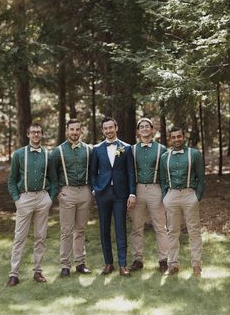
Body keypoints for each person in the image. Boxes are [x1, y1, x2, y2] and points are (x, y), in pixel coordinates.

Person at [7, 122, 55, 286]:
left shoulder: (48, 155)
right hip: (24, 199)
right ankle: (14, 274)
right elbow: (12, 180)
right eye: (33, 132)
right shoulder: (19, 154)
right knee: (19, 237)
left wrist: (50, 198)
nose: (35, 135)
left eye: (38, 132)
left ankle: (38, 271)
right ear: (28, 135)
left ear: (41, 135)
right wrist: (16, 199)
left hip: (42, 198)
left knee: (40, 237)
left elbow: (53, 179)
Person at [90, 117, 136, 277]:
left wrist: (132, 193)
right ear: (102, 130)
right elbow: (93, 172)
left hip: (120, 194)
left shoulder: (127, 148)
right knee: (104, 229)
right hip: (102, 194)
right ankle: (108, 263)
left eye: (111, 127)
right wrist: (95, 189)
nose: (108, 130)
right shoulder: (96, 149)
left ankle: (123, 265)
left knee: (120, 228)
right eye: (105, 128)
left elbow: (130, 172)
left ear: (116, 127)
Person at [160, 126, 205, 276]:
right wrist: (165, 197)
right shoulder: (165, 157)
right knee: (172, 231)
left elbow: (201, 178)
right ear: (170, 139)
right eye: (173, 137)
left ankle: (196, 265)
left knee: (194, 231)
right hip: (171, 196)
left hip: (189, 195)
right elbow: (163, 179)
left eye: (179, 136)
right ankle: (173, 264)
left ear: (183, 137)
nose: (176, 139)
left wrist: (196, 197)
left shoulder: (195, 154)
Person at [51, 119, 92, 277]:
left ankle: (80, 263)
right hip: (67, 193)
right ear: (67, 131)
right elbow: (51, 174)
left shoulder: (88, 150)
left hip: (85, 193)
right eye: (72, 129)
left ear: (81, 131)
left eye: (77, 129)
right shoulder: (58, 151)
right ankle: (65, 265)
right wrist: (58, 193)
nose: (74, 132)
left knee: (80, 230)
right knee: (66, 231)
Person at [129, 118, 169, 273]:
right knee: (136, 227)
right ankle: (137, 259)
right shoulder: (132, 149)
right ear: (138, 131)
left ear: (152, 130)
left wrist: (165, 193)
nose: (144, 129)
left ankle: (163, 260)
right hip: (137, 190)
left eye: (147, 126)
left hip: (155, 189)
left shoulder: (162, 149)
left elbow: (166, 173)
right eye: (141, 127)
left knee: (160, 226)